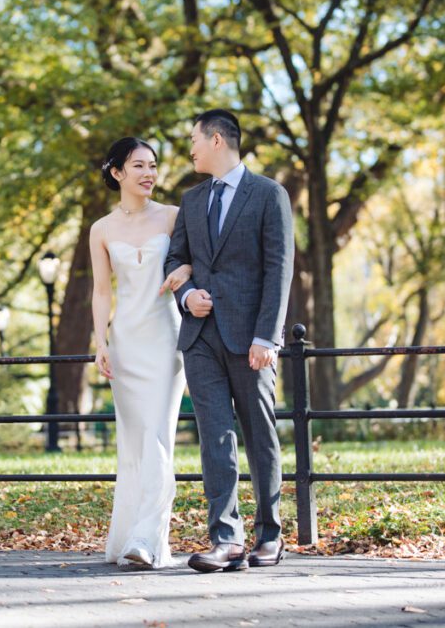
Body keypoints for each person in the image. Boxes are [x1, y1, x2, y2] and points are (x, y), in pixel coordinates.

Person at [164, 109, 294, 572]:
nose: (190, 148)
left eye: (194, 139)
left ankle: (270, 535)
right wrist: (185, 294)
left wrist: (267, 336)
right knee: (215, 437)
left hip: (250, 340)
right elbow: (175, 259)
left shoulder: (268, 195)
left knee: (260, 434)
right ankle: (227, 539)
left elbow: (280, 269)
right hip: (200, 338)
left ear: (217, 140)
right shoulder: (192, 200)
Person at [89, 137, 191, 569]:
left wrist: (184, 269)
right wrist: (100, 343)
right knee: (133, 441)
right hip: (126, 342)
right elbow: (100, 292)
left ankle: (150, 539)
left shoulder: (173, 216)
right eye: (138, 166)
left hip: (166, 338)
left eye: (153, 165)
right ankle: (128, 536)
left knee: (158, 436)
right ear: (117, 173)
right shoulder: (101, 229)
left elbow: (193, 262)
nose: (149, 173)